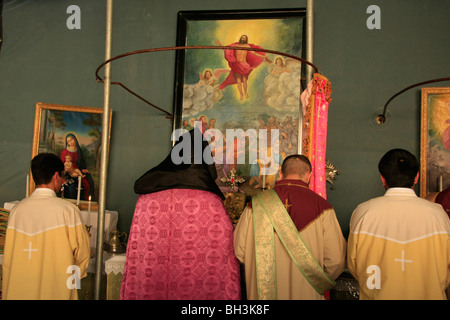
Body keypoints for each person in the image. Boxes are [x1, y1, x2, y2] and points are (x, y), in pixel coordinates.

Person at [120, 128, 241, 300]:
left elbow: (137, 246)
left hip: (152, 282)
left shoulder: (148, 196)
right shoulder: (211, 201)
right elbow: (225, 252)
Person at [234, 154, 346, 300]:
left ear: (280, 174)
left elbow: (240, 250)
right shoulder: (322, 207)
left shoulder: (255, 205)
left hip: (263, 293)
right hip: (307, 291)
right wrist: (315, 279)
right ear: (309, 175)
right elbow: (335, 260)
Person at [347, 148, 450, 300]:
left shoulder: (363, 212)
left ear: (382, 178)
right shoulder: (438, 215)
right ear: (416, 177)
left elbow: (355, 265)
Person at [2, 153, 91, 300]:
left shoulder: (16, 211)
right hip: (56, 289)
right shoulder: (67, 211)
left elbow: (8, 259)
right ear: (56, 176)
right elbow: (82, 256)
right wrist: (70, 282)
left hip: (19, 289)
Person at [216, 35, 269, 100]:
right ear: (240, 39)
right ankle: (241, 94)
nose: (243, 39)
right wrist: (219, 43)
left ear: (246, 39)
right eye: (242, 38)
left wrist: (263, 57)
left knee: (244, 80)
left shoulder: (247, 46)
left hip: (245, 65)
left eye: (245, 38)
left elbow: (255, 53)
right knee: (238, 80)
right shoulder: (236, 46)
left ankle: (246, 92)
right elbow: (226, 48)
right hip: (237, 65)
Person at [60, 133, 93, 200]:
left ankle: (85, 200)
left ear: (75, 139)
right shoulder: (64, 152)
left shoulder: (79, 151)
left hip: (77, 170)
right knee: (70, 185)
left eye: (71, 140)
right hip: (67, 171)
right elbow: (61, 164)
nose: (70, 142)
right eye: (68, 141)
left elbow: (82, 163)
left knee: (87, 182)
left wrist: (84, 169)